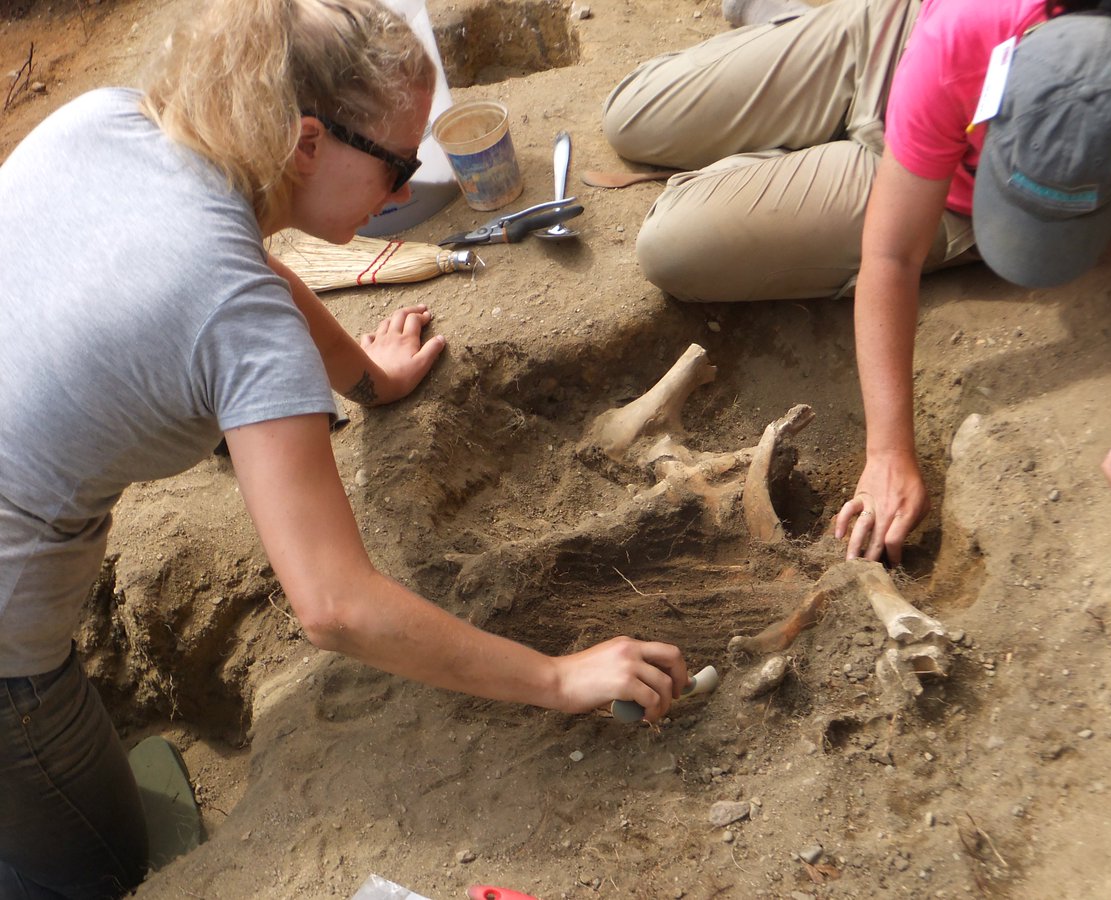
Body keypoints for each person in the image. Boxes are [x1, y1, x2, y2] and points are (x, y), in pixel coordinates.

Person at [0, 1, 687, 896]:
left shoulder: (113, 120)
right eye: (398, 164)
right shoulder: (234, 312)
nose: (403, 193)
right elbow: (334, 606)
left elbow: (247, 265)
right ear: (306, 144)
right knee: (97, 867)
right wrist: (558, 678)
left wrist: (370, 380)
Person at [602, 0, 1111, 564]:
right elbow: (891, 256)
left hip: (944, 187)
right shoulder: (966, 35)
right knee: (631, 117)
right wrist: (888, 454)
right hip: (904, 42)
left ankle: (800, 161)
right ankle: (793, 47)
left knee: (671, 245)